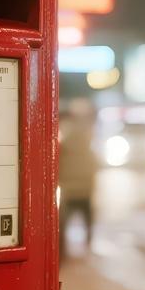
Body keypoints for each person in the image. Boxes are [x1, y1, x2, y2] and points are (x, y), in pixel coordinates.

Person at [58, 98, 98, 256]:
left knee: (64, 221)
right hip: (85, 188)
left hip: (68, 189)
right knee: (87, 219)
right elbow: (93, 165)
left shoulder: (65, 137)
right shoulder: (87, 139)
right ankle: (88, 246)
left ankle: (63, 251)